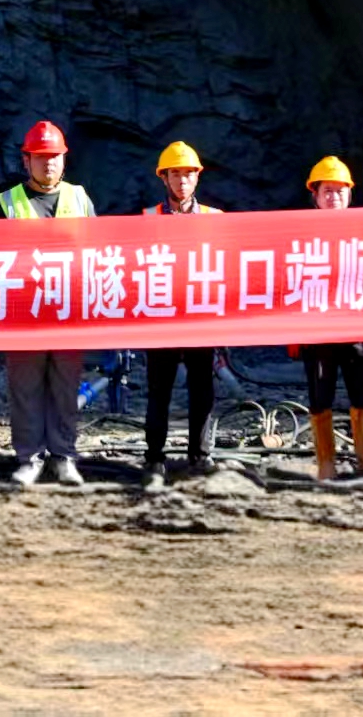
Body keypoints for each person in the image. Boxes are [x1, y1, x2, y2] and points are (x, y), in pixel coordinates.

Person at [0, 120, 95, 487]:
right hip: (25, 313)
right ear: (26, 160)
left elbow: (96, 253)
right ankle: (29, 458)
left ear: (64, 160)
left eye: (54, 156)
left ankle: (63, 457)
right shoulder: (7, 203)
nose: (48, 162)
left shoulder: (80, 198)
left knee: (66, 388)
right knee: (25, 389)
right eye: (40, 156)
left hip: (68, 312)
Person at [293, 156, 363, 481]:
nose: (333, 197)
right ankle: (326, 463)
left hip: (358, 327)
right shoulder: (298, 234)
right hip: (317, 331)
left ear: (350, 193)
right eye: (327, 191)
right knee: (320, 397)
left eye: (339, 190)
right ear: (315, 195)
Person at [140, 141, 222, 488]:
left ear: (197, 177)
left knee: (202, 390)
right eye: (176, 174)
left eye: (188, 174)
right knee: (159, 391)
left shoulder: (215, 219)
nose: (182, 180)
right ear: (164, 178)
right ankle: (154, 458)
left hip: (200, 319)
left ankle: (199, 456)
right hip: (162, 320)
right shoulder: (148, 218)